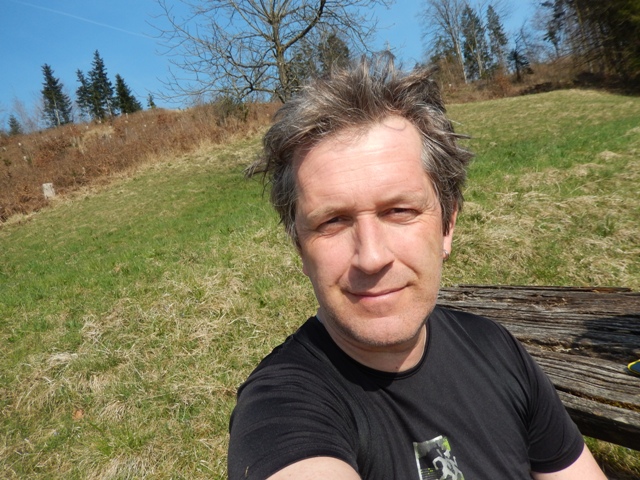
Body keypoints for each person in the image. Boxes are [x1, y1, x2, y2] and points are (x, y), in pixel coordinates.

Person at [228, 54, 607, 480]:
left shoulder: (496, 349)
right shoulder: (280, 408)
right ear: (300, 247)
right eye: (332, 221)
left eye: (399, 211)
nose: (372, 257)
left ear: (447, 225)